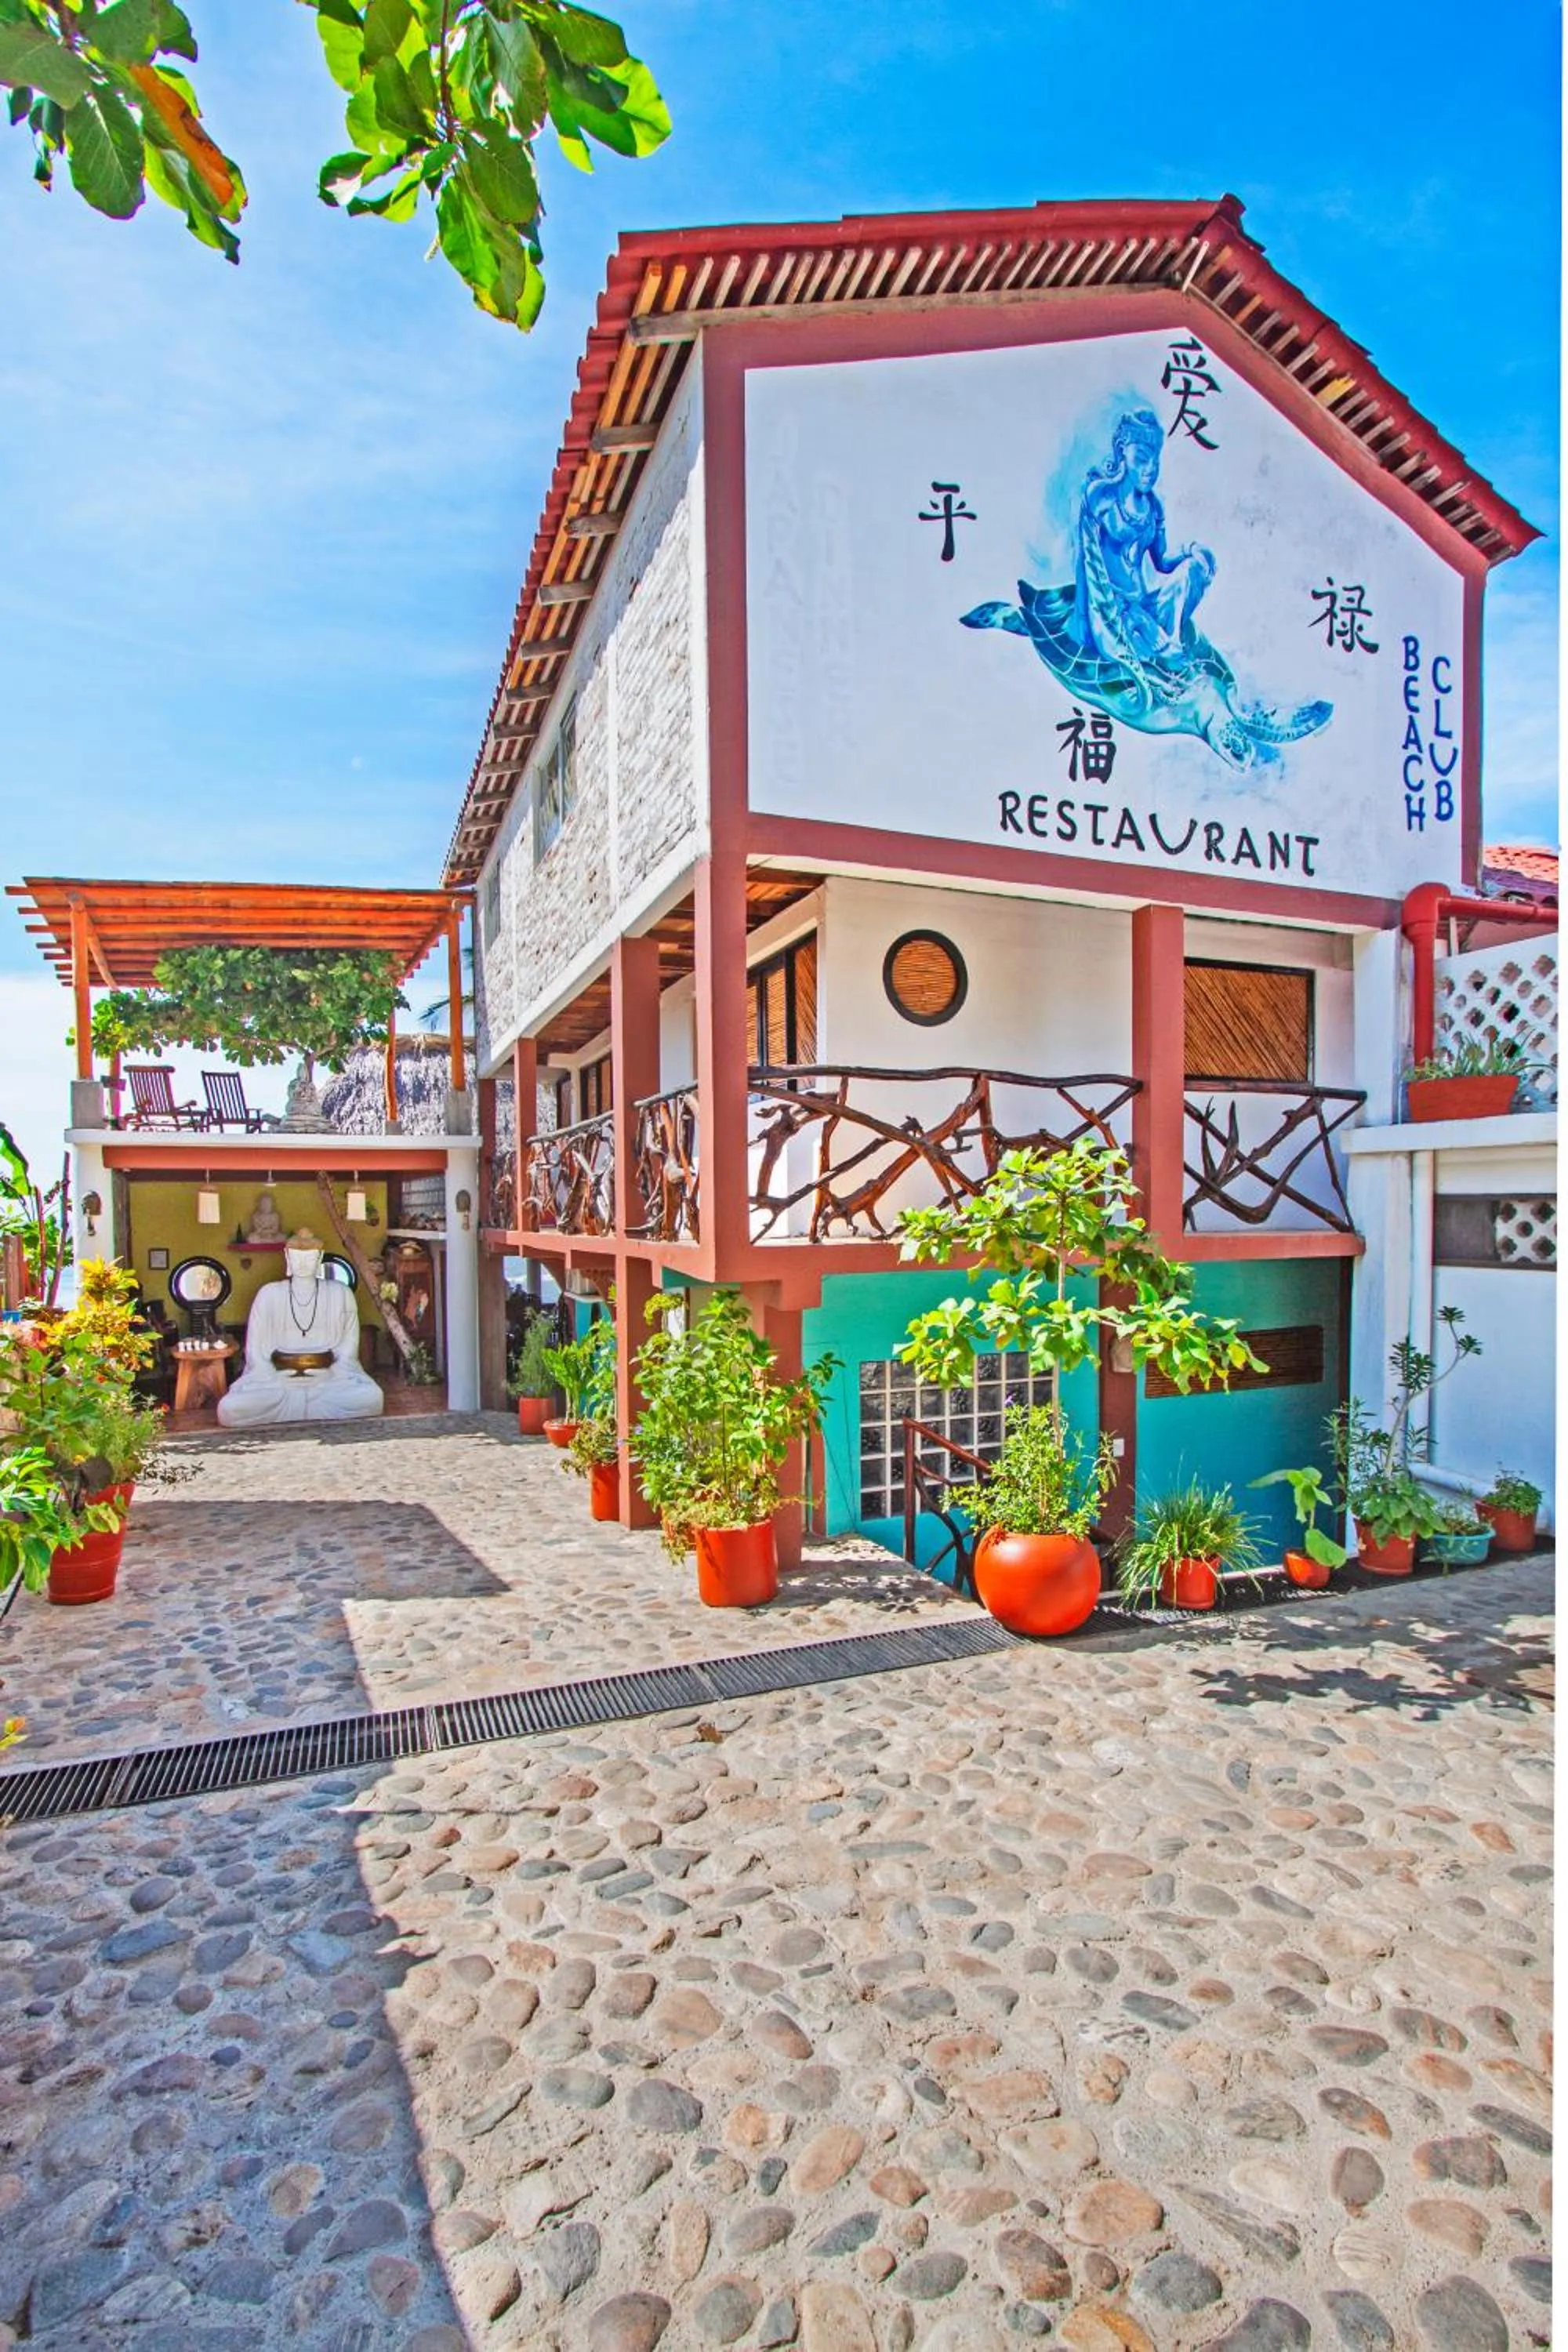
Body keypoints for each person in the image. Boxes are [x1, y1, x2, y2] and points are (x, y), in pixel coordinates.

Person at [217, 1229, 383, 1426]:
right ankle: (307, 1404)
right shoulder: (268, 1295)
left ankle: (305, 1403)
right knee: (230, 1408)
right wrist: (273, 1376)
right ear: (287, 1257)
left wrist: (331, 1373)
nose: (303, 1263)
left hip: (330, 1379)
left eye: (310, 1257)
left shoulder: (341, 1294)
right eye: (297, 1257)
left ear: (320, 1257)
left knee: (372, 1397)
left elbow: (348, 1352)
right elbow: (255, 1352)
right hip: (276, 1380)